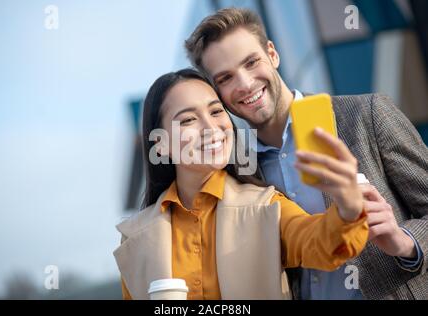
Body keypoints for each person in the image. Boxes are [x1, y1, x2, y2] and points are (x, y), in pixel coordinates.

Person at [184, 8, 428, 299]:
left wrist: (405, 242)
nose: (245, 84)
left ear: (272, 54)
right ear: (216, 92)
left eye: (251, 62)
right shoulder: (238, 170)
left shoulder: (366, 115)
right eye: (225, 78)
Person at [113, 68, 368, 300]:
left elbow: (322, 244)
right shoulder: (135, 238)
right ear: (161, 145)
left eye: (215, 111)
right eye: (189, 120)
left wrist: (348, 206)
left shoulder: (266, 206)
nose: (211, 127)